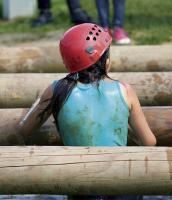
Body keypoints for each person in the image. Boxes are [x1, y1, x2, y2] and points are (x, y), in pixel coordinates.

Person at [18, 23, 156, 199]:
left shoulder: (56, 89)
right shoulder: (125, 90)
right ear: (106, 62)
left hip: (81, 186)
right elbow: (150, 142)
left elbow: (22, 130)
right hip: (123, 185)